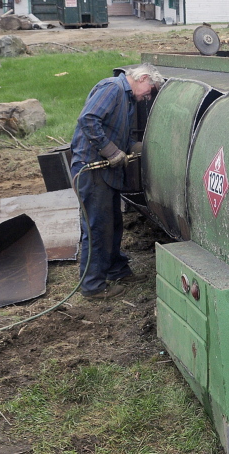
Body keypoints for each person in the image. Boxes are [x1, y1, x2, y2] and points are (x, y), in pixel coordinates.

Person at [70, 65, 163, 300]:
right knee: (97, 228)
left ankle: (116, 270)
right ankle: (92, 286)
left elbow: (119, 131)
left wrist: (134, 147)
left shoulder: (127, 98)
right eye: (149, 90)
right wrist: (110, 150)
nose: (147, 96)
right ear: (142, 78)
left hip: (106, 172)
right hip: (92, 170)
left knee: (112, 223)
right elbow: (88, 120)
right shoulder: (112, 88)